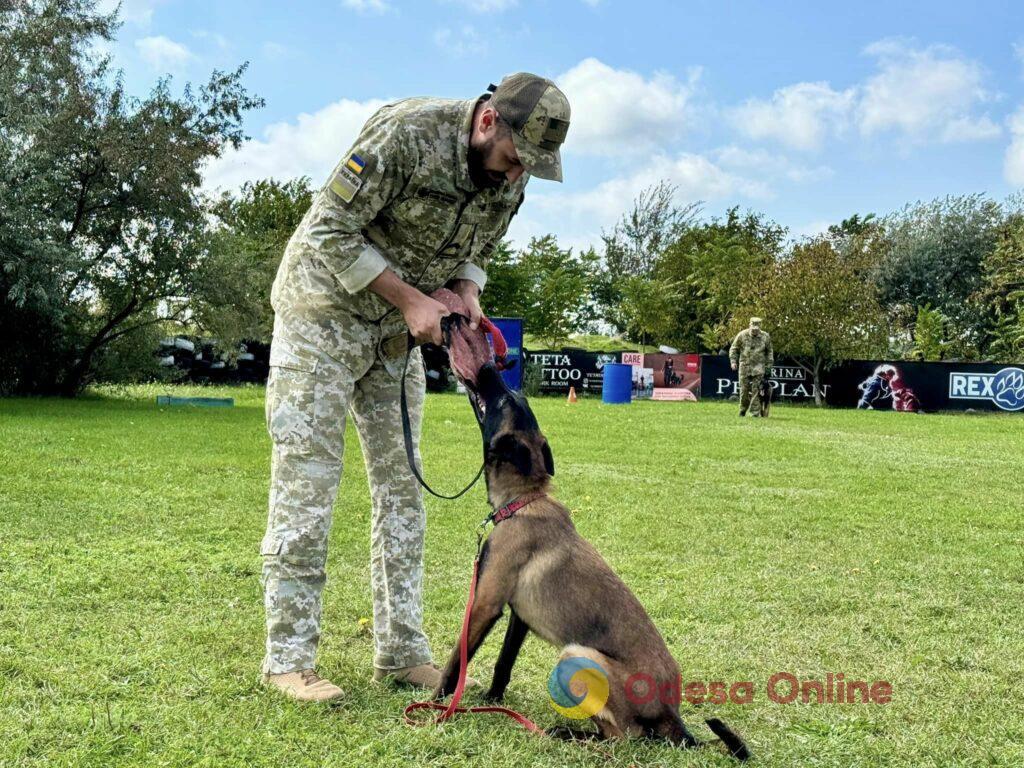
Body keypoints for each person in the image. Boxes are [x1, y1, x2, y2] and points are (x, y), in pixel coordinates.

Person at [261, 73, 571, 702]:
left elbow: (474, 251)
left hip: (397, 338)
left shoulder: (512, 179)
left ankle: (401, 652)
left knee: (403, 490)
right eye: (515, 159)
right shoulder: (405, 133)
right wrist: (407, 299)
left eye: (530, 169)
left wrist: (467, 294)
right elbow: (327, 231)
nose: (516, 177)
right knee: (308, 482)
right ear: (489, 122)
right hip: (322, 315)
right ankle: (287, 659)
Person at [729, 317, 774, 417]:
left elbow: (769, 352)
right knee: (744, 390)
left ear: (760, 328)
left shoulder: (765, 336)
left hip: (759, 368)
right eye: (753, 329)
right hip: (744, 366)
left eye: (756, 329)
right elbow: (734, 349)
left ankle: (754, 413)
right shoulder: (742, 335)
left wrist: (769, 366)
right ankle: (743, 410)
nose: (754, 331)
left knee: (756, 391)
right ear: (749, 326)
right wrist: (733, 361)